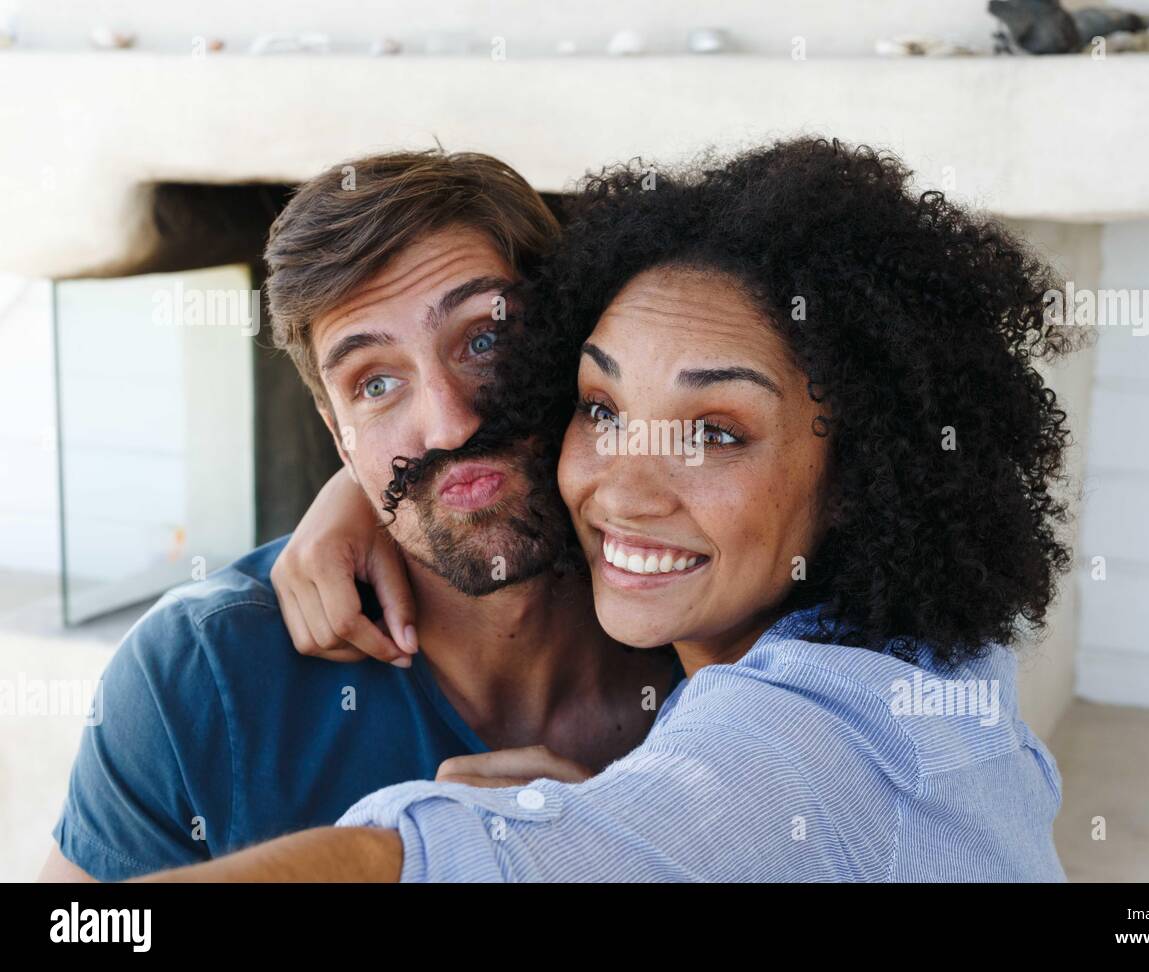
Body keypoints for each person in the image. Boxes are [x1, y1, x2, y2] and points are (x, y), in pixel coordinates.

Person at [144, 138, 1077, 882]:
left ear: (866, 468)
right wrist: (365, 488)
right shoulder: (929, 643)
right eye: (603, 410)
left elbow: (440, 867)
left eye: (715, 432)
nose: (627, 491)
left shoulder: (816, 747)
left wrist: (581, 833)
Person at [39, 150, 679, 882]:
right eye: (375, 382)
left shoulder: (711, 623)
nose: (448, 424)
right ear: (336, 431)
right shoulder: (201, 673)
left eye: (485, 340)